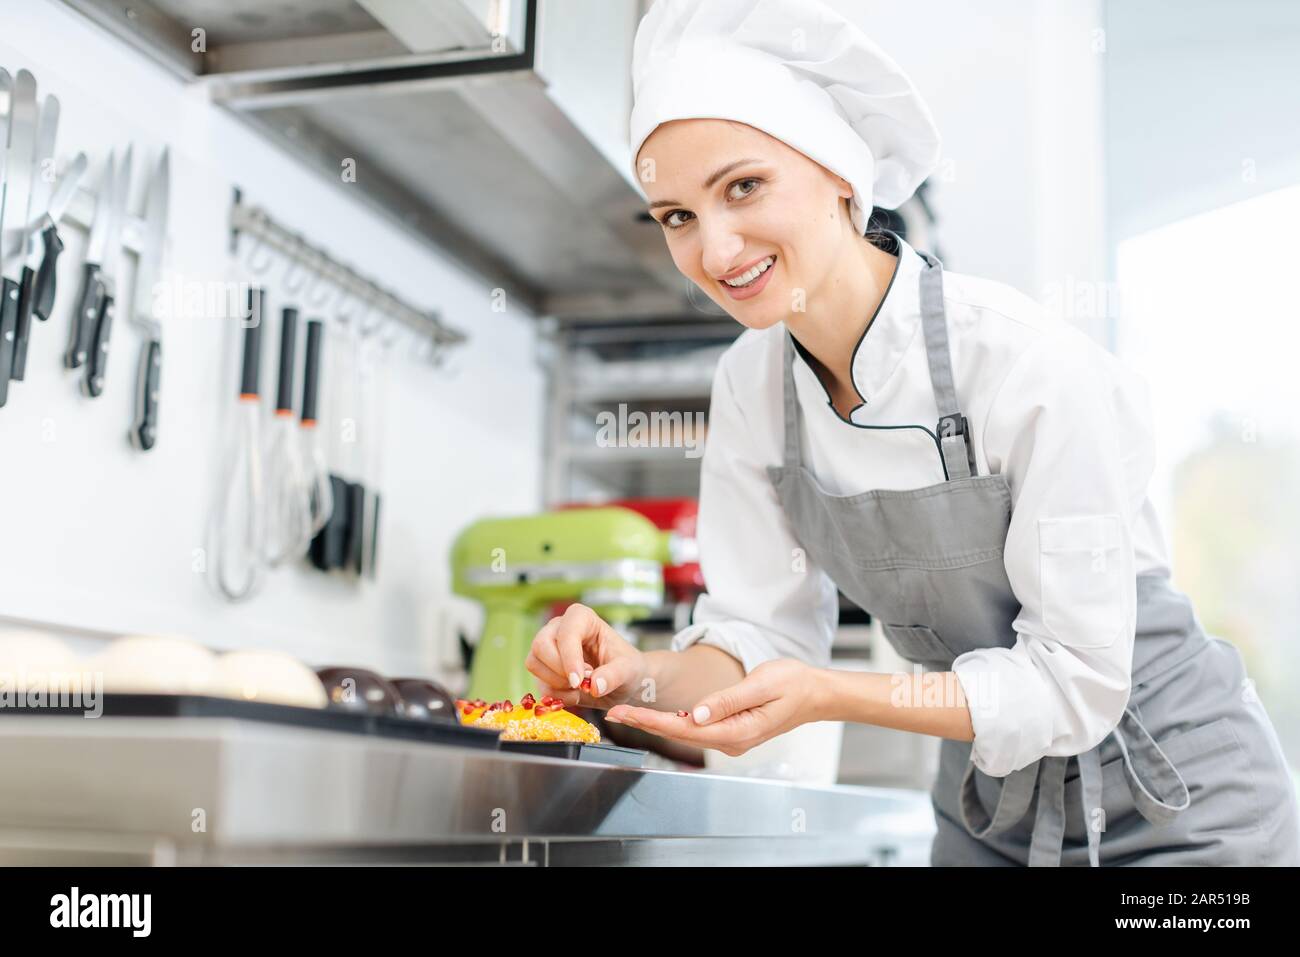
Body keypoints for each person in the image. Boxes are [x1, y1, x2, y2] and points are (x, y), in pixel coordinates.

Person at [525, 0, 1300, 866]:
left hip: (1182, 799)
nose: (714, 247)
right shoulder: (750, 384)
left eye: (743, 186)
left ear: (842, 178)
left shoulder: (1025, 364)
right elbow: (762, 637)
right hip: (988, 809)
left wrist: (830, 693)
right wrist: (636, 674)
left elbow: (1075, 683)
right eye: (675, 216)